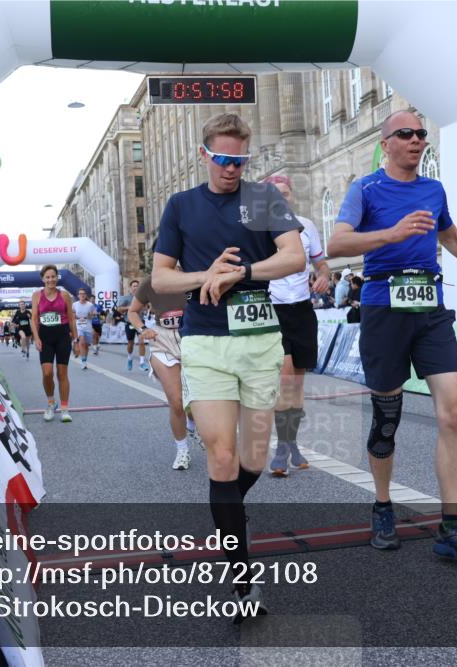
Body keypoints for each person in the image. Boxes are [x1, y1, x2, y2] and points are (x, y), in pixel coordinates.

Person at [328, 110, 457, 564]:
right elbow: (337, 244)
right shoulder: (366, 189)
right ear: (386, 144)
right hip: (383, 306)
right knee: (387, 417)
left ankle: (451, 525)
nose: (417, 140)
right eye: (406, 134)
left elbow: (451, 237)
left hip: (430, 307)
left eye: (421, 135)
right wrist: (391, 233)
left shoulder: (433, 190)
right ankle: (382, 506)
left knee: (453, 413)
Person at [152, 112, 304, 619]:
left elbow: (294, 257)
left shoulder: (263, 198)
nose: (231, 168)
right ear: (204, 155)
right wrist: (206, 276)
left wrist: (242, 273)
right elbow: (161, 279)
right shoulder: (181, 206)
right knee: (220, 456)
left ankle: (226, 511)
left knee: (254, 459)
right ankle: (242, 582)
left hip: (260, 340)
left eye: (240, 160)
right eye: (222, 159)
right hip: (207, 342)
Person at [259, 174, 330, 478]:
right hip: (272, 309)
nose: (283, 199)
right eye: (277, 194)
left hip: (301, 309)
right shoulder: (256, 229)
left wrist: (324, 275)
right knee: (285, 379)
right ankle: (281, 450)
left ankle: (291, 444)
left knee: (297, 385)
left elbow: (321, 263)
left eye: (286, 194)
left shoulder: (306, 225)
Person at [128, 274, 202, 470]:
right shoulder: (150, 282)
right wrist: (143, 328)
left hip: (192, 337)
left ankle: (192, 427)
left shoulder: (192, 274)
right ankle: (182, 450)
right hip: (162, 340)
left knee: (195, 400)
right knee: (177, 400)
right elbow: (133, 312)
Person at [30, 265, 77, 423]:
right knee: (47, 373)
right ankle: (51, 403)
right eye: (47, 277)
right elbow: (34, 319)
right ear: (43, 279)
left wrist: (76, 340)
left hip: (62, 336)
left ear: (57, 278)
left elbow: (71, 318)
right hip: (45, 337)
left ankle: (64, 409)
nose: (51, 279)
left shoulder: (64, 295)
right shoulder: (37, 295)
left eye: (53, 276)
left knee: (62, 373)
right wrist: (36, 338)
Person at [116, 280, 150, 372]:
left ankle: (142, 362)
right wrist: (129, 308)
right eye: (134, 286)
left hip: (140, 323)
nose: (136, 287)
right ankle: (130, 358)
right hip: (130, 323)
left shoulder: (142, 298)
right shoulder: (126, 298)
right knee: (130, 343)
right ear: (131, 288)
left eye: (137, 286)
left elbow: (146, 308)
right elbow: (119, 309)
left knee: (141, 341)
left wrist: (145, 307)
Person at [72, 288, 95, 370]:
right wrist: (76, 317)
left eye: (84, 294)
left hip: (88, 326)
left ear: (86, 295)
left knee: (86, 345)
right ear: (78, 295)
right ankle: (83, 362)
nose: (82, 295)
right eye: (80, 293)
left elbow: (93, 315)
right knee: (82, 341)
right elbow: (72, 315)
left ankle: (85, 359)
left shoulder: (90, 305)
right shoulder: (75, 304)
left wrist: (89, 316)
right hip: (79, 326)